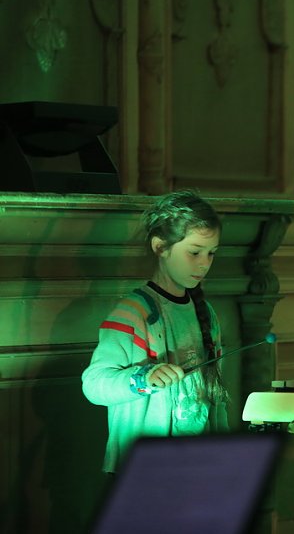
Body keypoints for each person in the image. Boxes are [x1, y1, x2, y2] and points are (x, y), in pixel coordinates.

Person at [82, 190, 229, 473]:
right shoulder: (133, 313)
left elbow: (215, 395)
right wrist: (143, 377)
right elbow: (94, 384)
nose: (204, 263)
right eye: (194, 252)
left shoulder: (206, 314)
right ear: (160, 247)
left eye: (211, 254)